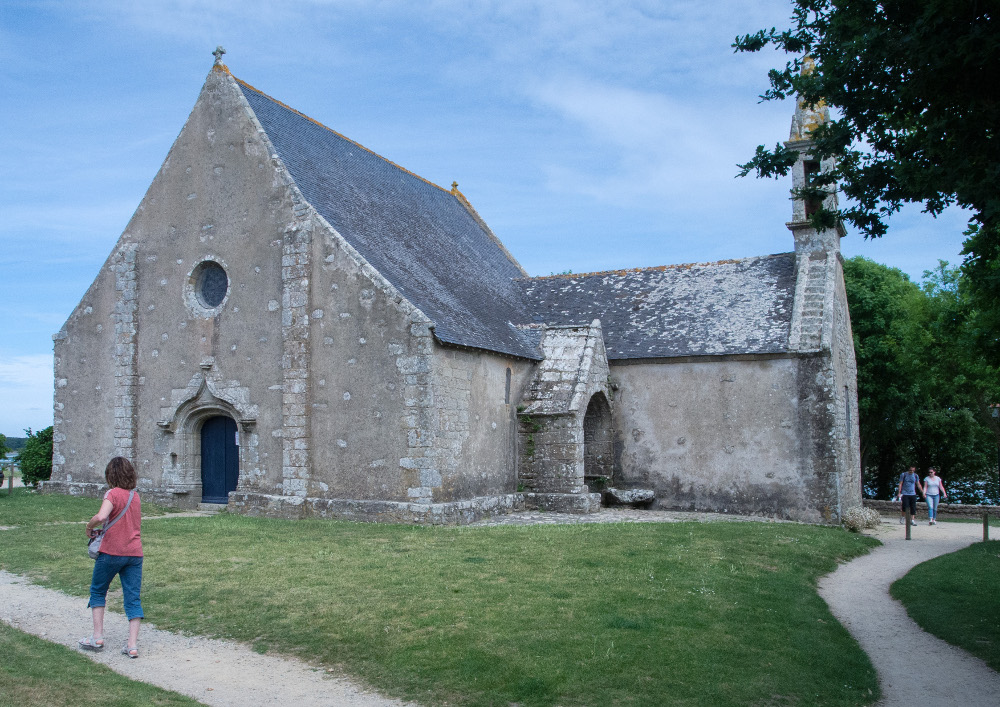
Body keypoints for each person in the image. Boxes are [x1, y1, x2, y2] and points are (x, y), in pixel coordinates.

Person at [78, 457, 143, 658]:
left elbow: (101, 516)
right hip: (134, 553)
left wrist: (89, 527)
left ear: (110, 475)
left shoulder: (112, 493)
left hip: (111, 551)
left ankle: (97, 637)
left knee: (98, 591)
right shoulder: (135, 496)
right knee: (132, 598)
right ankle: (132, 645)